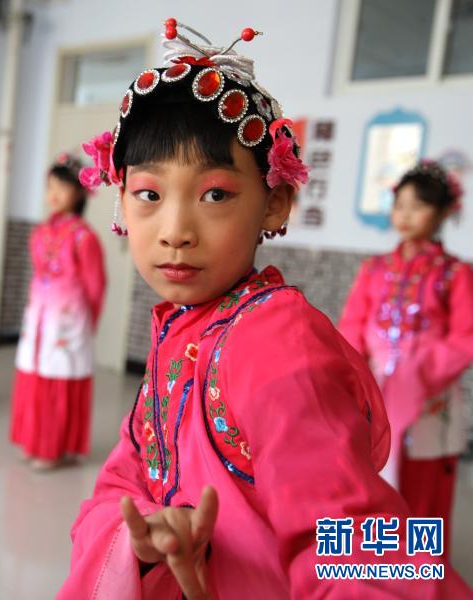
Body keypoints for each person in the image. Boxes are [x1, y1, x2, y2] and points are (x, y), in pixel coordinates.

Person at [59, 19, 470, 598]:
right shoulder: (181, 325)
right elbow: (129, 474)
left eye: (216, 195)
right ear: (121, 196)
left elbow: (363, 547)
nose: (175, 231)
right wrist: (145, 537)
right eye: (149, 194)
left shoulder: (277, 340)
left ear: (275, 204)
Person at [339, 161, 472, 560]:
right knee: (371, 476)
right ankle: (374, 569)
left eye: (417, 206)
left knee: (422, 486)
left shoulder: (455, 274)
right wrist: (354, 376)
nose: (405, 215)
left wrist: (421, 373)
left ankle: (417, 571)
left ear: (443, 212)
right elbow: (352, 327)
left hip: (428, 401)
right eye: (400, 205)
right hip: (375, 390)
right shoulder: (374, 269)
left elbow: (464, 338)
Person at [10, 153, 106, 470]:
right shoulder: (40, 232)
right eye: (50, 186)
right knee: (35, 373)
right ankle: (32, 438)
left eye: (62, 187)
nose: (53, 194)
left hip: (67, 320)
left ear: (79, 193)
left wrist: (86, 322)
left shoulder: (84, 238)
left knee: (58, 376)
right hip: (39, 315)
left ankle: (53, 447)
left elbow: (96, 285)